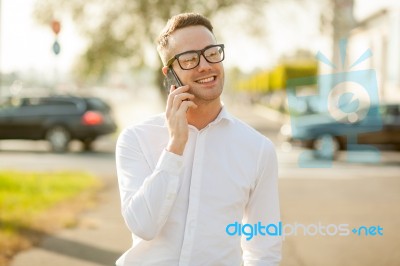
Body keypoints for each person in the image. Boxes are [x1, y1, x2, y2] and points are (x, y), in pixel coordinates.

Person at [115, 12, 282, 266]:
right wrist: (174, 147)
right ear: (169, 73)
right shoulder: (135, 139)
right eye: (190, 59)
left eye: (211, 53)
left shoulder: (258, 149)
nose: (205, 65)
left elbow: (264, 249)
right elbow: (143, 226)